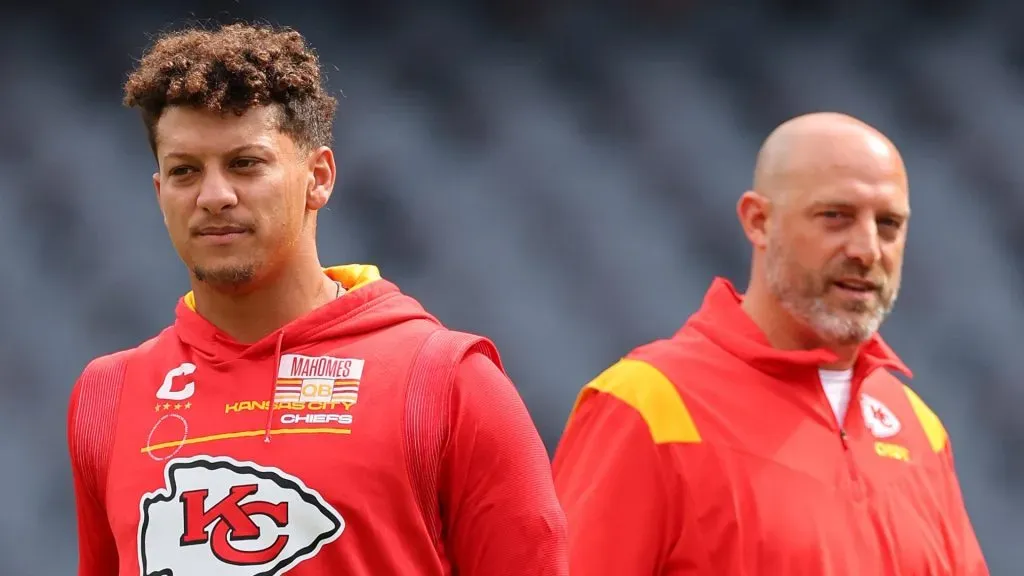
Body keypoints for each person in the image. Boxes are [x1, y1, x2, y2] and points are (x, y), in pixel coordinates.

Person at [66, 22, 567, 576]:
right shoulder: (108, 396)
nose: (214, 196)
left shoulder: (448, 383)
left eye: (245, 164)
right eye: (185, 171)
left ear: (319, 177)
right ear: (161, 194)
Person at [552, 112, 988, 575]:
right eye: (835, 216)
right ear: (758, 221)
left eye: (888, 224)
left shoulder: (920, 430)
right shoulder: (647, 406)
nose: (867, 250)